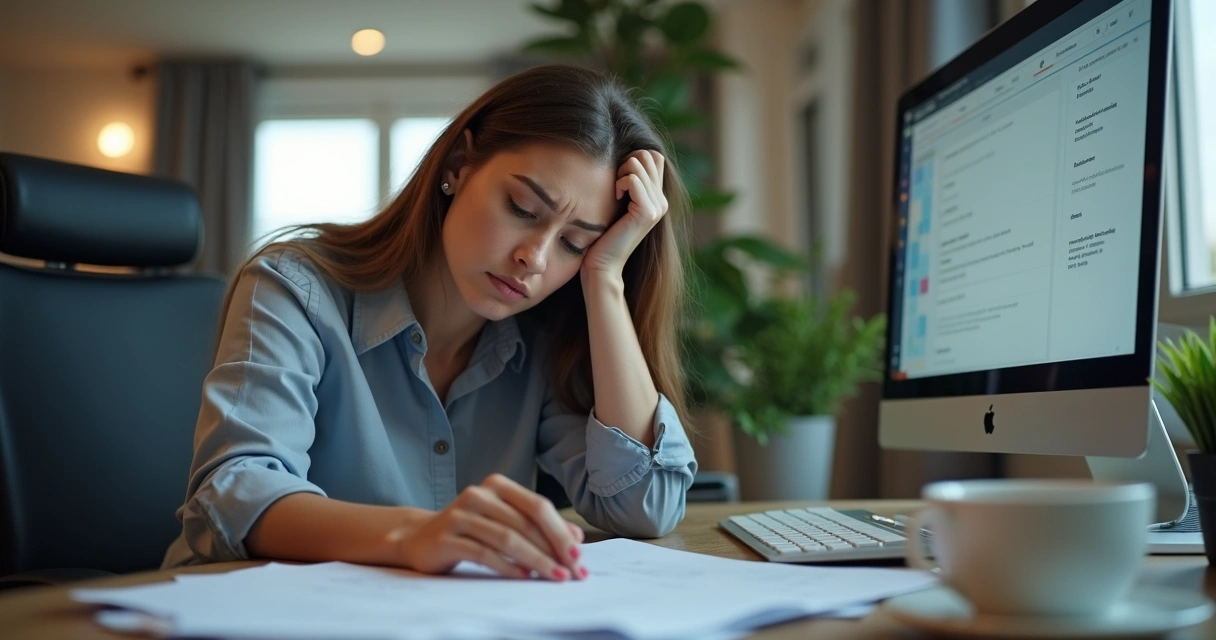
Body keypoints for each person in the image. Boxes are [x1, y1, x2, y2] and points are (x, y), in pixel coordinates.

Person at [162, 64, 698, 582]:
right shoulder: (295, 287)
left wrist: (604, 279)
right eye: (522, 208)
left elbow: (643, 506)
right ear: (458, 165)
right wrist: (412, 536)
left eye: (575, 242)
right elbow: (233, 494)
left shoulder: (543, 339)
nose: (534, 259)